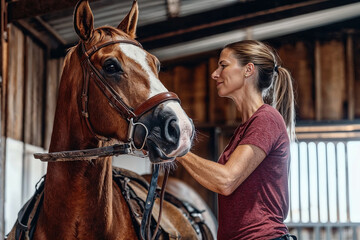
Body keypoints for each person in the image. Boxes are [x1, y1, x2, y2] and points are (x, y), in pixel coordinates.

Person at [177, 40, 297, 240]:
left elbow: (226, 180)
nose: (215, 74)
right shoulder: (246, 127)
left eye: (223, 65)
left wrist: (177, 151)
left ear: (248, 70)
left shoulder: (266, 119)